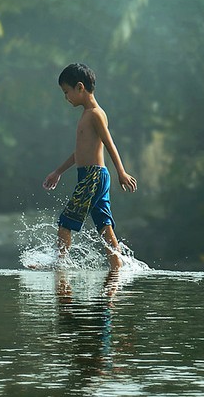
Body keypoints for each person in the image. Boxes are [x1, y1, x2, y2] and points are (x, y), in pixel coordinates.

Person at [42, 63, 137, 270]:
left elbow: (109, 143)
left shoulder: (95, 114)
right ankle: (117, 266)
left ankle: (59, 264)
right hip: (93, 175)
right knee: (104, 224)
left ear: (80, 87)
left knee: (65, 222)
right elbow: (80, 153)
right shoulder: (87, 114)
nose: (66, 97)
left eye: (67, 92)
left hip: (92, 176)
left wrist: (121, 172)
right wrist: (58, 171)